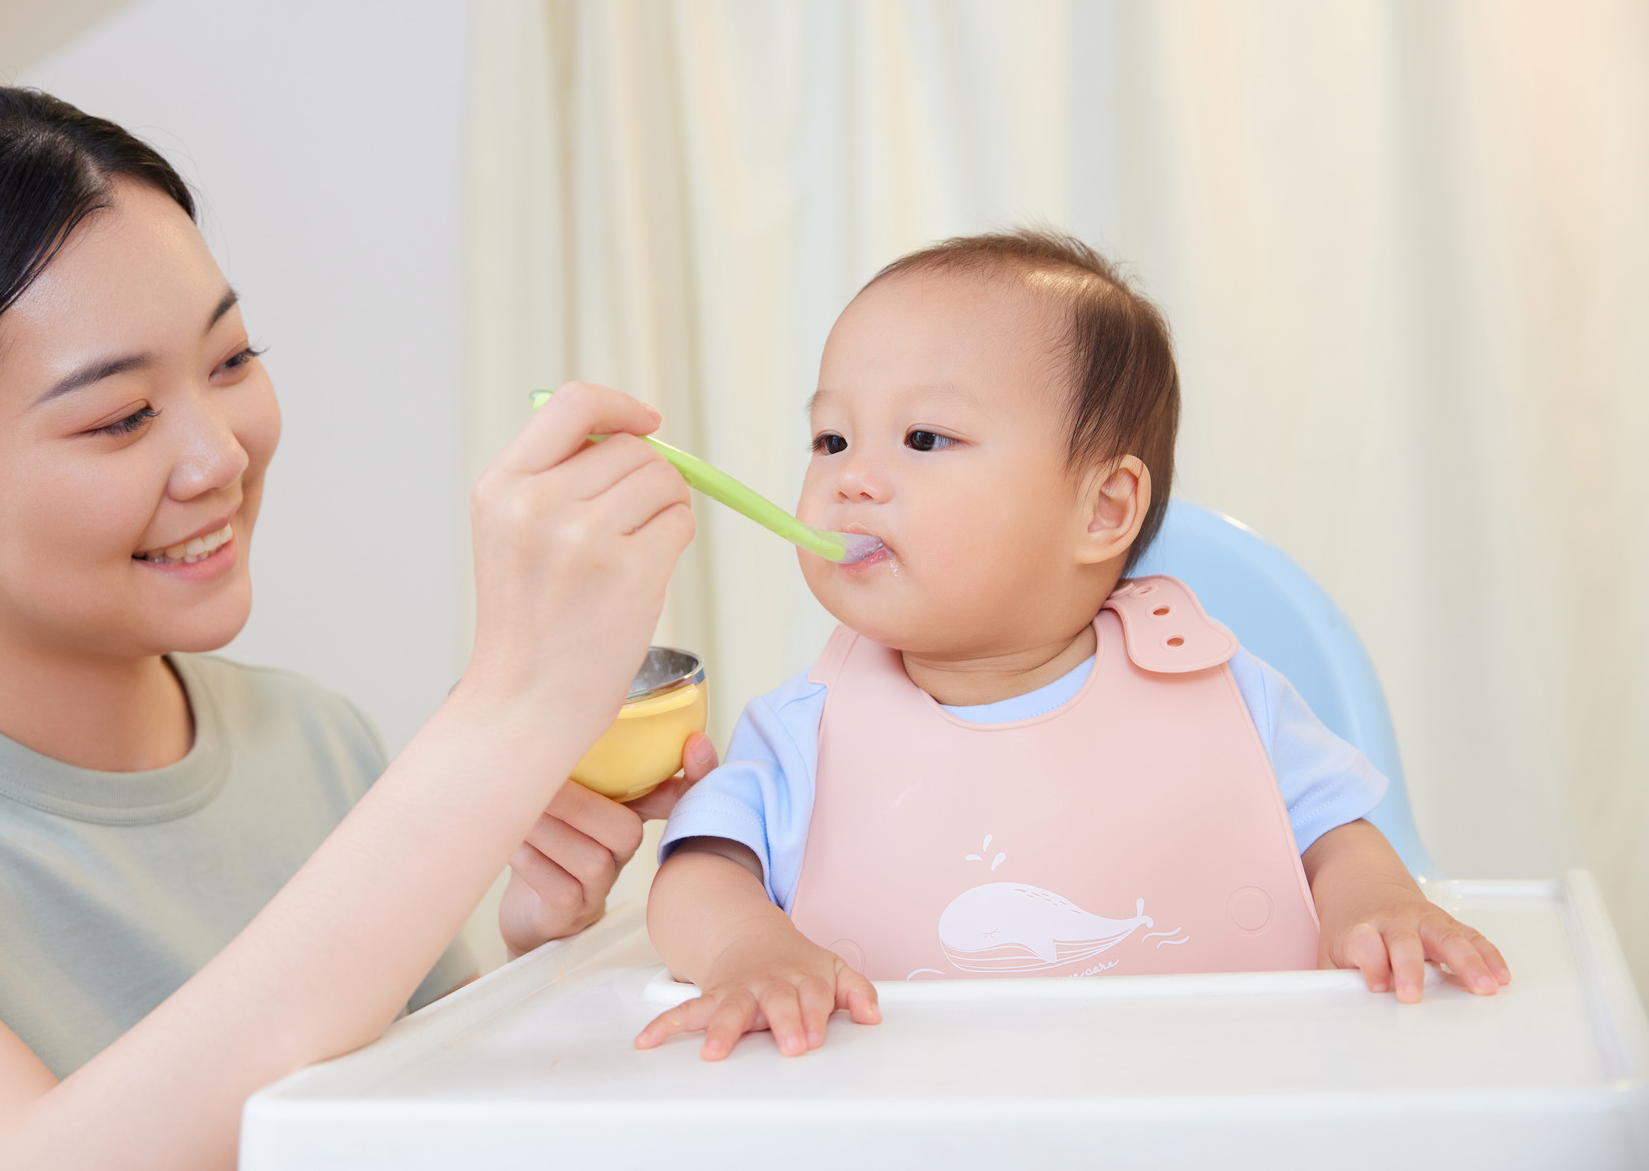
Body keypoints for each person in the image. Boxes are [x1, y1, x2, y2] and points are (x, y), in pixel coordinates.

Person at [0, 83, 709, 1170]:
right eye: (120, 417)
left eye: (232, 360)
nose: (221, 457)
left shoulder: (316, 739)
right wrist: (507, 711)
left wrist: (533, 955)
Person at [639, 230, 1511, 1062]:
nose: (850, 478)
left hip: (1223, 1101)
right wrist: (749, 950)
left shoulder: (1223, 691)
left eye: (924, 438)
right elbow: (700, 869)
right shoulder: (802, 730)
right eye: (831, 439)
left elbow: (1336, 833)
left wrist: (1378, 905)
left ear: (1104, 508)